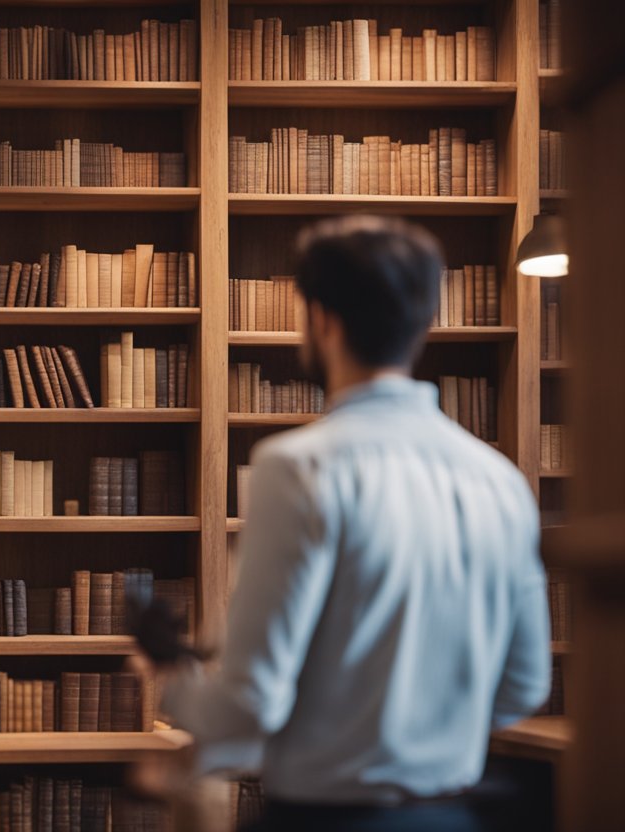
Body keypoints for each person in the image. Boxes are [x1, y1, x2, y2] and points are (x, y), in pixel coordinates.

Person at [149, 216, 552, 831]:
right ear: (422, 322)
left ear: (322, 320)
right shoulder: (500, 481)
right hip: (453, 818)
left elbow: (249, 704)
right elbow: (524, 686)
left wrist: (169, 679)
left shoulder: (297, 467)